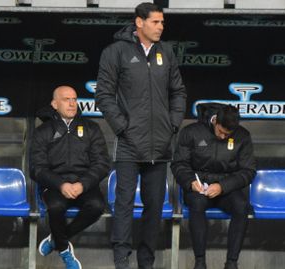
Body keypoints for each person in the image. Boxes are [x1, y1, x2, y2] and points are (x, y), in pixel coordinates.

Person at [95, 2, 186, 268]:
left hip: (160, 144)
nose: (161, 27)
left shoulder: (166, 52)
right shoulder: (115, 52)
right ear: (139, 22)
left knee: (154, 205)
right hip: (128, 144)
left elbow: (178, 91)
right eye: (155, 22)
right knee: (124, 203)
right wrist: (122, 127)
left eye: (162, 22)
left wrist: (173, 123)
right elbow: (103, 94)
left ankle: (146, 261)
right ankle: (122, 259)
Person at [30, 86, 110, 269]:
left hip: (85, 184)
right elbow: (36, 168)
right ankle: (64, 250)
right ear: (54, 104)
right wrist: (60, 184)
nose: (72, 103)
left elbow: (102, 163)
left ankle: (57, 239)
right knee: (56, 206)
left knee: (97, 206)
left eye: (74, 99)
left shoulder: (91, 128)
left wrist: (83, 184)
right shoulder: (43, 131)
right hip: (55, 185)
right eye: (66, 99)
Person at [171, 103, 256, 269]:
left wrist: (222, 186)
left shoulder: (243, 136)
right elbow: (178, 164)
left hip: (227, 188)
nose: (223, 137)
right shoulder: (191, 132)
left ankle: (231, 263)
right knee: (197, 203)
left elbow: (249, 171)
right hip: (198, 186)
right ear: (215, 121)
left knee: (242, 206)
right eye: (221, 132)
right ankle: (200, 262)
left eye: (227, 134)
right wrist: (190, 181)